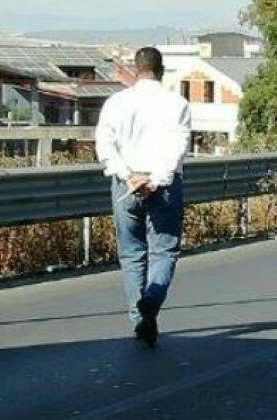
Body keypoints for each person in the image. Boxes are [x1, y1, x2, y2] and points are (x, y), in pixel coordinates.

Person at [95, 47, 191, 348]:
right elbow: (178, 146)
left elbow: (105, 144)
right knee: (164, 251)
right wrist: (157, 179)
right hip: (164, 183)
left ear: (135, 70)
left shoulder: (116, 102)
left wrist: (129, 176)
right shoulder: (177, 103)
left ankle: (139, 319)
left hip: (126, 185)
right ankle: (151, 301)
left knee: (132, 253)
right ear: (161, 70)